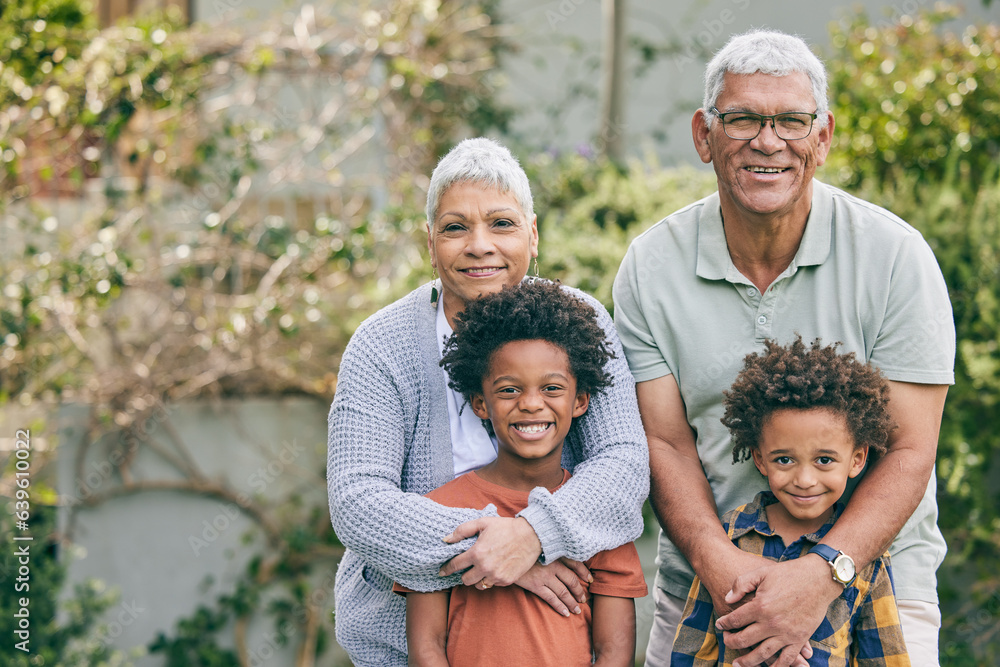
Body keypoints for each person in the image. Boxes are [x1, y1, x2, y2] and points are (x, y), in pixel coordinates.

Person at [612, 29, 954, 667]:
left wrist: (820, 576)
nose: (767, 141)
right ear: (704, 135)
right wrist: (731, 577)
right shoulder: (651, 265)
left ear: (821, 138)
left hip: (876, 585)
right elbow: (663, 442)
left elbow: (910, 448)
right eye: (741, 118)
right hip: (707, 592)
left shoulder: (895, 258)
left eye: (791, 121)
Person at [328, 137, 648, 666]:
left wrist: (533, 534)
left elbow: (624, 466)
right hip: (404, 647)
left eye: (501, 223)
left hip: (553, 645)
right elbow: (357, 503)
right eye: (456, 228)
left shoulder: (579, 323)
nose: (480, 245)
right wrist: (507, 555)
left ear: (533, 234)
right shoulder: (381, 344)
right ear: (430, 244)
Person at [397, 280, 648, 666]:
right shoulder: (441, 511)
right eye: (510, 390)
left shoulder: (600, 520)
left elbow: (614, 653)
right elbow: (426, 647)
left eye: (551, 388)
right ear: (481, 403)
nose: (531, 404)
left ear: (580, 401)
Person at [670, 337, 910, 665]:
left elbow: (883, 655)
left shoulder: (866, 559)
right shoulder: (729, 536)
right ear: (759, 459)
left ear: (857, 460)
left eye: (824, 460)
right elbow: (694, 647)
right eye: (784, 460)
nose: (804, 479)